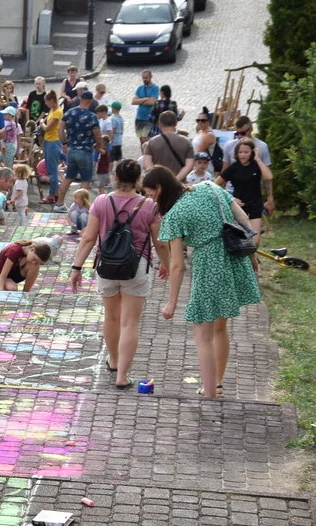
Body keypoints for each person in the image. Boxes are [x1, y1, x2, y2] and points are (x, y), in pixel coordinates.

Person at [142, 166, 260, 399]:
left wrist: (172, 303)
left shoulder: (174, 214)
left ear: (160, 188)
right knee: (220, 327)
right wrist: (252, 255)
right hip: (235, 255)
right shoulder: (209, 186)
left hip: (209, 264)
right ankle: (216, 384)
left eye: (150, 193)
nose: (150, 198)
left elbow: (177, 265)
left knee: (203, 334)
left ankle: (209, 392)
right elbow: (243, 218)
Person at [71, 160, 169, 390]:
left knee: (111, 317)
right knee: (130, 323)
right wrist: (166, 264)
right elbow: (160, 242)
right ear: (138, 181)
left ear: (115, 177)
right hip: (136, 267)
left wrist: (76, 268)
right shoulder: (149, 206)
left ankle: (113, 360)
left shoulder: (101, 201)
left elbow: (88, 238)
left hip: (107, 266)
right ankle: (122, 375)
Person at [215, 138, 274, 267]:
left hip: (255, 203)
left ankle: (251, 260)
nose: (243, 155)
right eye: (240, 152)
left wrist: (258, 159)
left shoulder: (256, 165)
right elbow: (216, 184)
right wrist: (230, 199)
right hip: (238, 204)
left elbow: (268, 176)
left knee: (255, 241)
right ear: (236, 153)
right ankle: (244, 265)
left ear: (252, 152)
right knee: (238, 238)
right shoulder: (233, 167)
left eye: (246, 152)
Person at [54, 91, 105, 213]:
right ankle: (81, 208)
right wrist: (98, 146)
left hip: (71, 150)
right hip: (86, 151)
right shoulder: (92, 117)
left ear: (80, 99)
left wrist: (64, 143)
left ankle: (59, 203)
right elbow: (98, 136)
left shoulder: (69, 112)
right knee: (85, 181)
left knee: (68, 178)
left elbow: (60, 128)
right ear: (91, 101)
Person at [143, 111, 194, 181]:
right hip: (180, 185)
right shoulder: (187, 142)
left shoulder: (152, 142)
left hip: (159, 184)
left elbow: (147, 165)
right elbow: (189, 166)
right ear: (176, 123)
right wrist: (175, 181)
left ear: (159, 124)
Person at [41, 91, 64, 205]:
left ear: (51, 101)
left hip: (53, 141)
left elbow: (47, 128)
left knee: (52, 170)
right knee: (50, 168)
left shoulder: (58, 112)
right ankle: (55, 193)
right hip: (48, 141)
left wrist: (41, 123)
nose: (45, 103)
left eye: (46, 101)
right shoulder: (52, 110)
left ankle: (51, 195)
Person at [132, 69, 160, 148]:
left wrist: (140, 100)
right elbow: (133, 101)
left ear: (151, 77)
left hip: (148, 118)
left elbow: (152, 102)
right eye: (143, 78)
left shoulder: (155, 87)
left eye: (146, 78)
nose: (144, 79)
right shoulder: (140, 88)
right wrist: (146, 98)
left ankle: (148, 157)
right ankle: (144, 157)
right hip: (139, 118)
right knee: (141, 141)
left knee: (146, 140)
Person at [94, 104, 113, 195]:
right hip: (101, 142)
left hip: (104, 143)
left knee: (104, 160)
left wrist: (104, 142)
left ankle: (106, 180)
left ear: (104, 112)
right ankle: (102, 178)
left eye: (99, 113)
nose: (98, 115)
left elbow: (110, 134)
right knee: (96, 159)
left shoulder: (108, 122)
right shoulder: (101, 120)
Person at [192, 108, 217, 173]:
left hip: (204, 167)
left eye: (203, 120)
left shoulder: (209, 135)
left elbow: (199, 152)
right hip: (197, 165)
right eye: (198, 120)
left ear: (208, 121)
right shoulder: (200, 132)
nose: (200, 122)